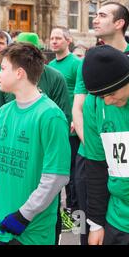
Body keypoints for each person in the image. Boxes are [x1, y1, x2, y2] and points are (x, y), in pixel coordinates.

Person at [0, 42, 70, 245]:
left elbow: (56, 178)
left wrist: (23, 215)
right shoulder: (3, 113)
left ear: (19, 73)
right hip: (0, 225)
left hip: (31, 231)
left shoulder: (50, 116)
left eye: (3, 69)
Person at [72, 1, 129, 245]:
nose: (95, 19)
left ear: (119, 23)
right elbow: (77, 106)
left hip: (125, 160)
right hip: (90, 153)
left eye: (102, 15)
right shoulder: (89, 61)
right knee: (84, 221)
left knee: (116, 227)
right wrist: (95, 145)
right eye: (95, 14)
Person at [82, 45, 129, 245]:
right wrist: (96, 222)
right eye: (100, 96)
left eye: (111, 93)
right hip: (118, 220)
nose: (107, 102)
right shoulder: (94, 102)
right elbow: (95, 164)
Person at [48, 26, 81, 230]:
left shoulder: (76, 64)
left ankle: (76, 218)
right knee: (55, 173)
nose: (54, 41)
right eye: (51, 38)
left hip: (72, 128)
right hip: (54, 127)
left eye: (58, 38)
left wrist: (76, 120)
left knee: (73, 176)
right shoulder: (49, 66)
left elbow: (83, 95)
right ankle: (58, 215)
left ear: (68, 40)